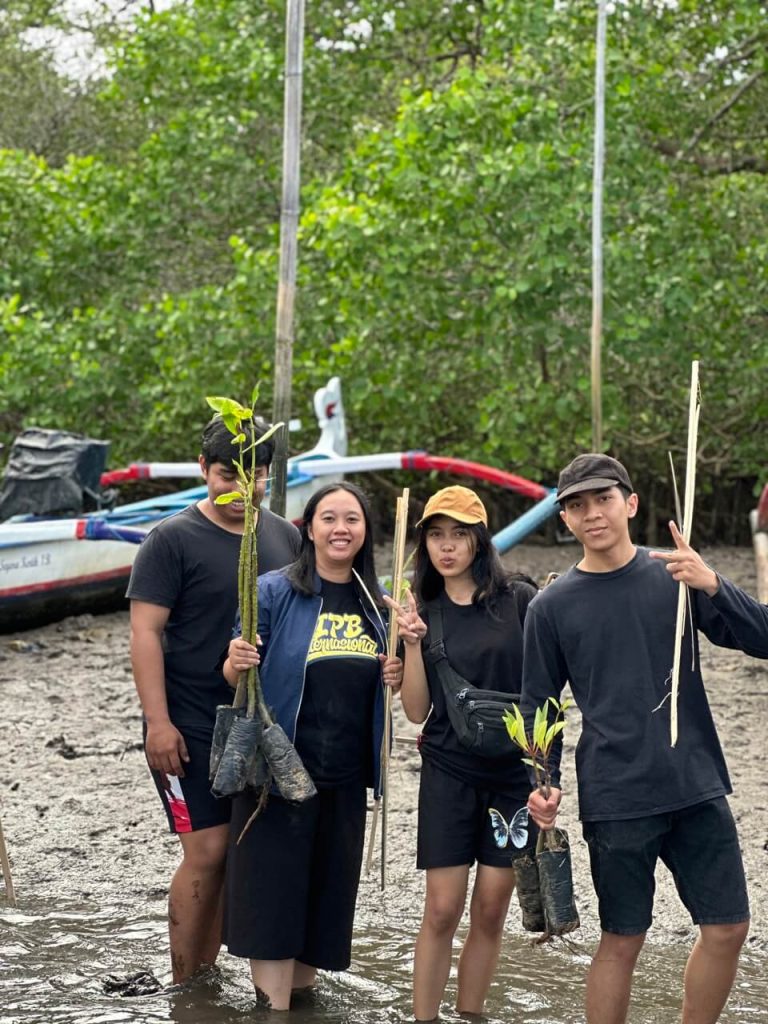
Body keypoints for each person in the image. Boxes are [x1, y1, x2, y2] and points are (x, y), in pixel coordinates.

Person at [521, 453, 768, 1024]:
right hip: (616, 796)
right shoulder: (550, 607)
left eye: (603, 499)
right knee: (622, 939)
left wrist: (712, 583)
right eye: (576, 505)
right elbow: (538, 704)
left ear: (630, 504)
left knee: (730, 927)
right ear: (565, 520)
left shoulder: (676, 577)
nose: (592, 514)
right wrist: (541, 782)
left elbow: (761, 635)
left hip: (695, 781)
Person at [127, 414, 300, 985]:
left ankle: (208, 975)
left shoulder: (282, 535)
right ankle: (183, 983)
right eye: (228, 474)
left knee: (238, 854)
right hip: (190, 723)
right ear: (203, 469)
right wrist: (158, 723)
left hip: (256, 723)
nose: (239, 490)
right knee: (206, 850)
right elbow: (145, 633)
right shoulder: (171, 539)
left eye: (253, 477)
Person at [222, 481, 403, 1011]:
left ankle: (299, 1003)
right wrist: (237, 659)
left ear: (366, 530)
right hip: (278, 771)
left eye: (352, 519)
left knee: (322, 900)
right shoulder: (274, 590)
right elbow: (233, 672)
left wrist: (398, 664)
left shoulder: (378, 603)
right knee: (271, 897)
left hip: (344, 775)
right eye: (329, 518)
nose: (340, 528)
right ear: (309, 528)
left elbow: (396, 686)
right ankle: (271, 1011)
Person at [384, 485, 538, 1022]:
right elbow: (416, 712)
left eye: (459, 535)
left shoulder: (520, 600)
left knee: (491, 909)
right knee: (442, 909)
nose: (447, 547)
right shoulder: (420, 610)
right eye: (435, 536)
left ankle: (470, 1014)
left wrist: (548, 776)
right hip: (448, 772)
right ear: (424, 544)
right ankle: (424, 1017)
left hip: (514, 778)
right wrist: (409, 644)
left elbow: (547, 692)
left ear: (480, 541)